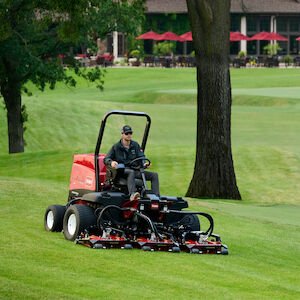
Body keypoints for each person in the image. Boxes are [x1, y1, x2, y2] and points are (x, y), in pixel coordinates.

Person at [104, 125, 160, 201]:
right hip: (123, 171)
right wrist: (112, 162)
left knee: (154, 175)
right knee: (131, 172)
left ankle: (155, 196)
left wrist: (144, 163)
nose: (129, 135)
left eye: (130, 133)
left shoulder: (135, 145)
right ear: (122, 134)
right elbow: (106, 159)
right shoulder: (116, 147)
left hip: (135, 169)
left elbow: (141, 156)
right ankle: (133, 194)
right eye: (127, 133)